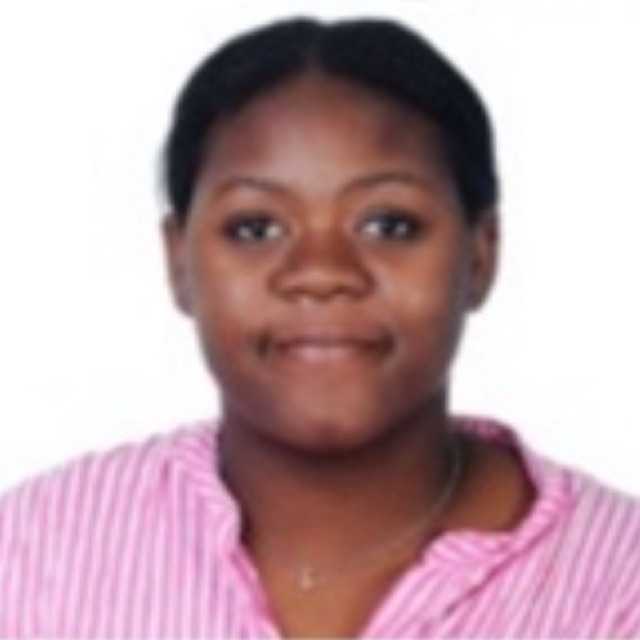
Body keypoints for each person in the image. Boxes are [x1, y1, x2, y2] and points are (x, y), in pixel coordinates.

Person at [1, 15, 639, 639]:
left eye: (389, 225)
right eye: (256, 227)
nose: (322, 272)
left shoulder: (620, 582)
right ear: (179, 263)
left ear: (480, 254)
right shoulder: (31, 553)